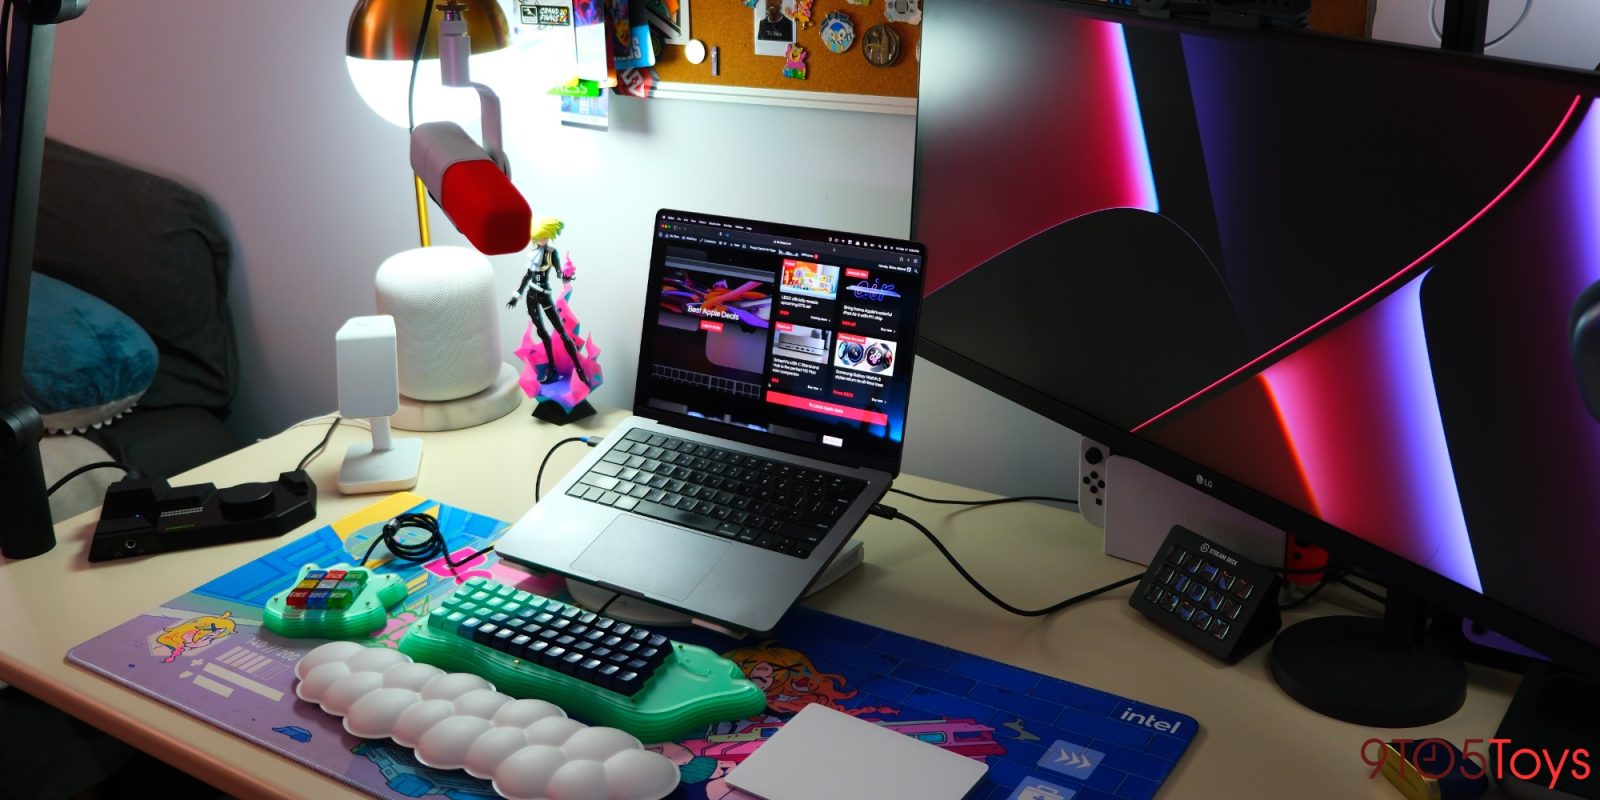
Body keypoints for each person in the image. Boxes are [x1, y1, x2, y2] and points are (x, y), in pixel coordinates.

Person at [508, 217, 592, 389]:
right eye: (540, 237)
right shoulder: (533, 253)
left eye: (545, 237)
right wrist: (517, 295)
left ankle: (579, 369)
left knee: (562, 333)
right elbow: (527, 275)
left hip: (545, 295)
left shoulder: (552, 253)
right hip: (531, 294)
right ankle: (552, 369)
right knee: (542, 332)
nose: (542, 240)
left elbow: (559, 272)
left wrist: (566, 276)